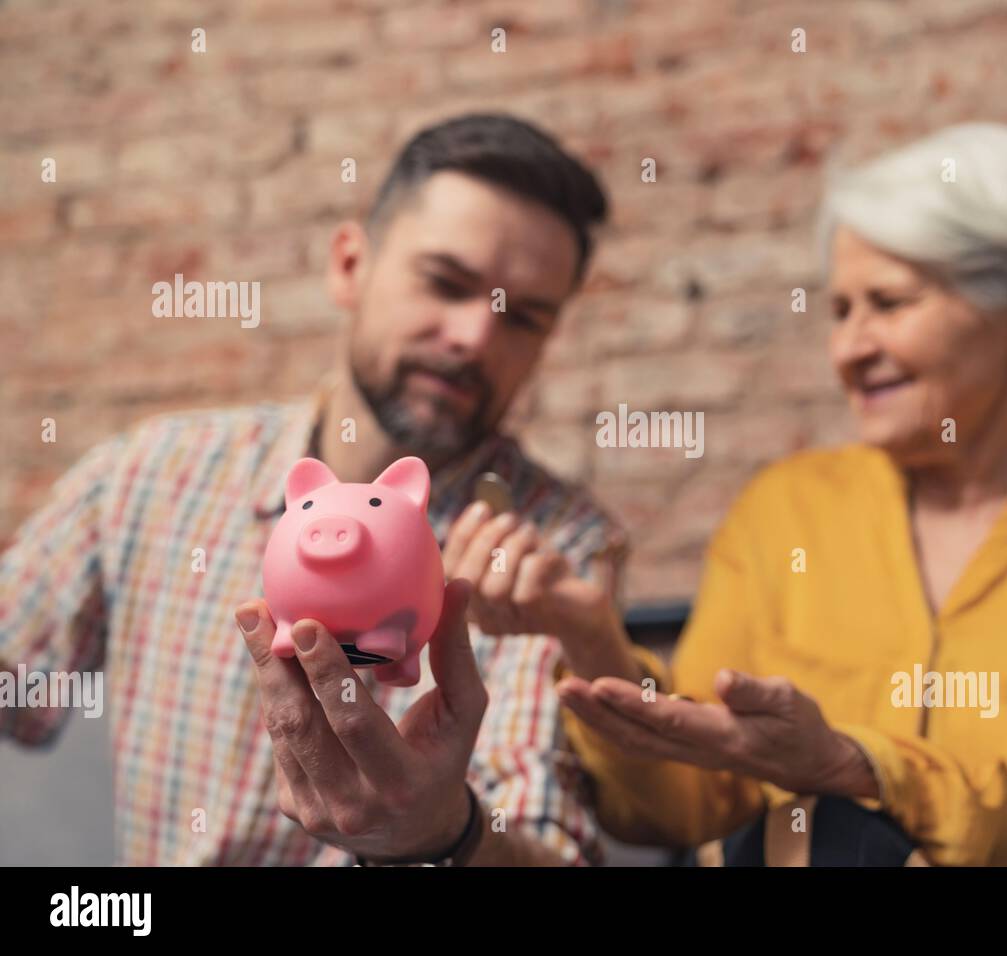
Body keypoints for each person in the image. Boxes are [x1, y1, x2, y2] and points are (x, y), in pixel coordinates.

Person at [555, 123, 1007, 866]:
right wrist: (596, 646)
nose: (849, 349)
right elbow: (683, 806)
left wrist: (860, 768)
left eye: (889, 302)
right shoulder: (785, 509)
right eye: (841, 311)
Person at [0, 113, 639, 866]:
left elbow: (548, 849)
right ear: (349, 266)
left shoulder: (554, 551)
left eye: (521, 317)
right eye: (445, 282)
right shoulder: (151, 476)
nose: (474, 335)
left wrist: (448, 832)